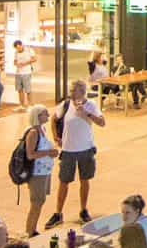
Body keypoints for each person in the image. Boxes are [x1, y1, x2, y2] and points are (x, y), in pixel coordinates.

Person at [45, 80, 104, 228]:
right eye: (70, 90)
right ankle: (58, 213)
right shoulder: (65, 105)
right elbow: (54, 119)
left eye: (74, 90)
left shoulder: (91, 105)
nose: (70, 93)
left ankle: (83, 210)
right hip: (68, 150)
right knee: (63, 182)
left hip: (86, 149)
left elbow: (102, 122)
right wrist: (55, 136)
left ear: (82, 92)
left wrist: (86, 113)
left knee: (85, 180)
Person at [20, 105, 58, 236]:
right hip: (37, 173)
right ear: (38, 116)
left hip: (44, 171)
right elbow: (30, 154)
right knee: (36, 202)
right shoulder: (33, 133)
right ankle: (30, 231)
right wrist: (48, 152)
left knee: (40, 201)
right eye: (45, 114)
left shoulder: (42, 130)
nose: (48, 116)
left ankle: (33, 228)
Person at [12, 40, 37, 107]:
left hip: (26, 72)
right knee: (19, 90)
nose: (18, 49)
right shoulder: (16, 52)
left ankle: (30, 104)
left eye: (19, 47)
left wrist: (25, 63)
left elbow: (34, 59)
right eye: (17, 48)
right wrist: (16, 64)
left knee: (28, 90)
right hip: (18, 73)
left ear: (22, 45)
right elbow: (15, 61)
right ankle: (21, 104)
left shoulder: (29, 50)